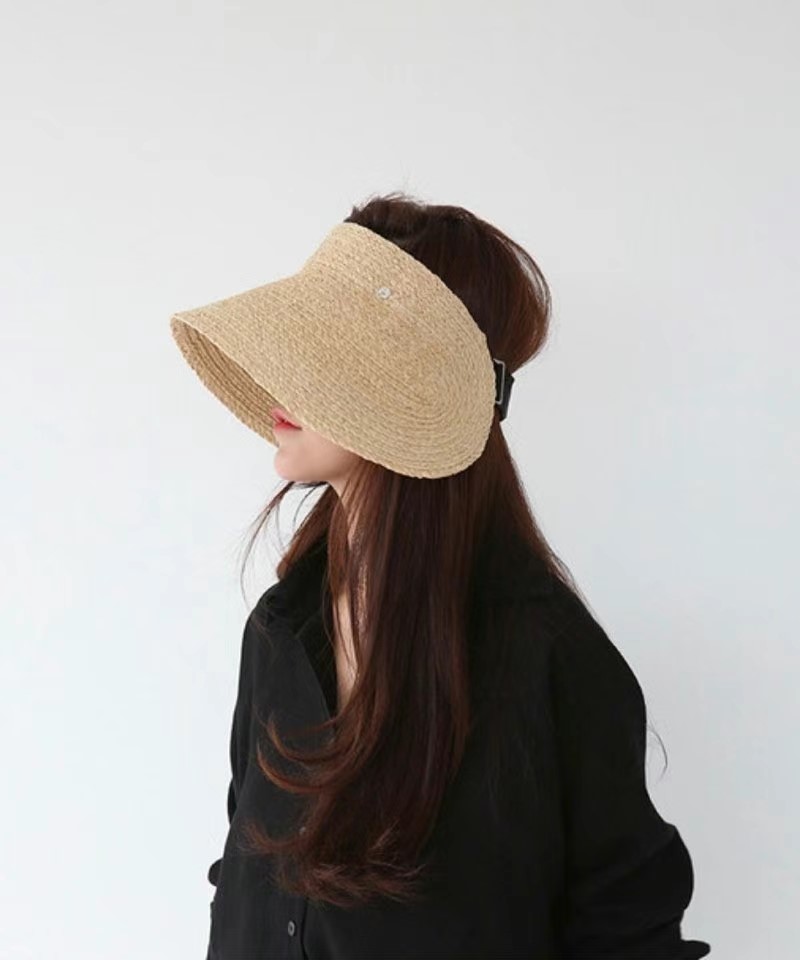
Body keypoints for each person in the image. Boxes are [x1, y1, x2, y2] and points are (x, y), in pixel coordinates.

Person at [169, 192, 712, 959]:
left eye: (324, 353)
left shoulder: (546, 658)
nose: (282, 385)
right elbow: (248, 876)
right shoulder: (281, 627)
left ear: (411, 386)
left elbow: (629, 935)